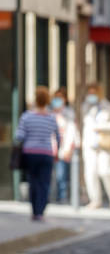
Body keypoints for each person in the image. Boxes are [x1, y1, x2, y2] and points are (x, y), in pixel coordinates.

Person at [15, 86, 61, 221]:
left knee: (33, 182)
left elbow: (19, 136)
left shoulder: (26, 116)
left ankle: (35, 211)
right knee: (44, 183)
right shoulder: (51, 118)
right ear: (47, 100)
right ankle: (40, 211)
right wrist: (57, 151)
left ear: (35, 99)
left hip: (30, 153)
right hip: (46, 153)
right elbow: (58, 137)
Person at [81, 83, 110, 209]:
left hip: (104, 145)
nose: (91, 95)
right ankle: (95, 200)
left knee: (106, 171)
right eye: (90, 93)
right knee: (90, 173)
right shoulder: (85, 106)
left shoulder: (107, 106)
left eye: (94, 93)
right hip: (90, 145)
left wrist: (101, 127)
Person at [51, 88, 77, 204]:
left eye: (60, 98)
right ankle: (49, 197)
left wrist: (68, 148)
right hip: (50, 148)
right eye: (56, 97)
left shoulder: (69, 113)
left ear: (65, 99)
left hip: (63, 148)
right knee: (50, 174)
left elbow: (71, 131)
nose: (57, 100)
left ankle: (62, 197)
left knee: (61, 174)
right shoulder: (49, 112)